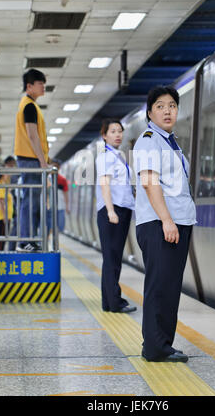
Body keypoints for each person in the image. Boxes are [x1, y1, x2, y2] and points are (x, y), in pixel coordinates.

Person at [133, 85, 197, 363]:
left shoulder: (171, 142)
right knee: (160, 286)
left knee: (170, 287)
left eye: (172, 105)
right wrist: (167, 220)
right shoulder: (149, 140)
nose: (167, 110)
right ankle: (154, 347)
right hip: (160, 224)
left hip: (177, 222)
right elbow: (149, 182)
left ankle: (164, 344)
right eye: (160, 106)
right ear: (150, 112)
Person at [96, 118, 136, 314]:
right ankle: (115, 302)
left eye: (119, 131)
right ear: (104, 135)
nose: (118, 135)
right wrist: (111, 211)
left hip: (120, 209)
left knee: (111, 258)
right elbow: (105, 184)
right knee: (112, 259)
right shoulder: (105, 156)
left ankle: (108, 301)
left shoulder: (117, 155)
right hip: (113, 211)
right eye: (112, 131)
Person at [14, 69, 49, 252]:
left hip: (30, 158)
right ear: (29, 86)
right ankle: (25, 241)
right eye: (40, 83)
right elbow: (32, 135)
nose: (43, 86)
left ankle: (28, 239)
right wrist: (42, 162)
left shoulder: (30, 105)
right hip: (30, 159)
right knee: (30, 201)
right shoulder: (28, 106)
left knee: (32, 201)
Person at [47, 158, 70, 238]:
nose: (55, 167)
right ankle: (48, 241)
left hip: (60, 206)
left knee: (60, 226)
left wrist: (67, 206)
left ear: (59, 167)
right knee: (49, 226)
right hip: (49, 207)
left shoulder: (62, 180)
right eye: (53, 165)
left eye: (57, 166)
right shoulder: (46, 178)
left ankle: (54, 241)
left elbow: (65, 193)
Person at [0, 173, 13, 251]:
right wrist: (4, 215)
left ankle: (0, 255)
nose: (8, 175)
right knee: (1, 239)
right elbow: (0, 201)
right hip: (2, 216)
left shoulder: (3, 185)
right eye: (6, 174)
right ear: (2, 175)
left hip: (5, 216)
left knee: (3, 238)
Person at [3, 156, 18, 250]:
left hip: (11, 205)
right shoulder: (3, 174)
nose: (13, 166)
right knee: (6, 229)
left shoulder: (10, 175)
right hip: (5, 207)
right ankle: (8, 249)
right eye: (12, 164)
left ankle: (10, 248)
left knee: (12, 227)